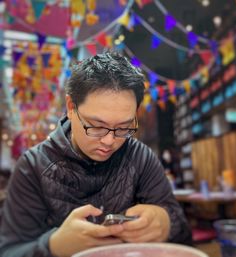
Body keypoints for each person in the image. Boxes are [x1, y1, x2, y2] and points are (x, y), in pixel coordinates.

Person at [0, 52, 192, 257]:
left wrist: (165, 223)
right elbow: (9, 250)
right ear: (71, 107)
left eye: (123, 127)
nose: (109, 141)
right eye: (97, 126)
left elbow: (184, 235)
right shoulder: (33, 166)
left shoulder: (140, 157)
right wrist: (53, 246)